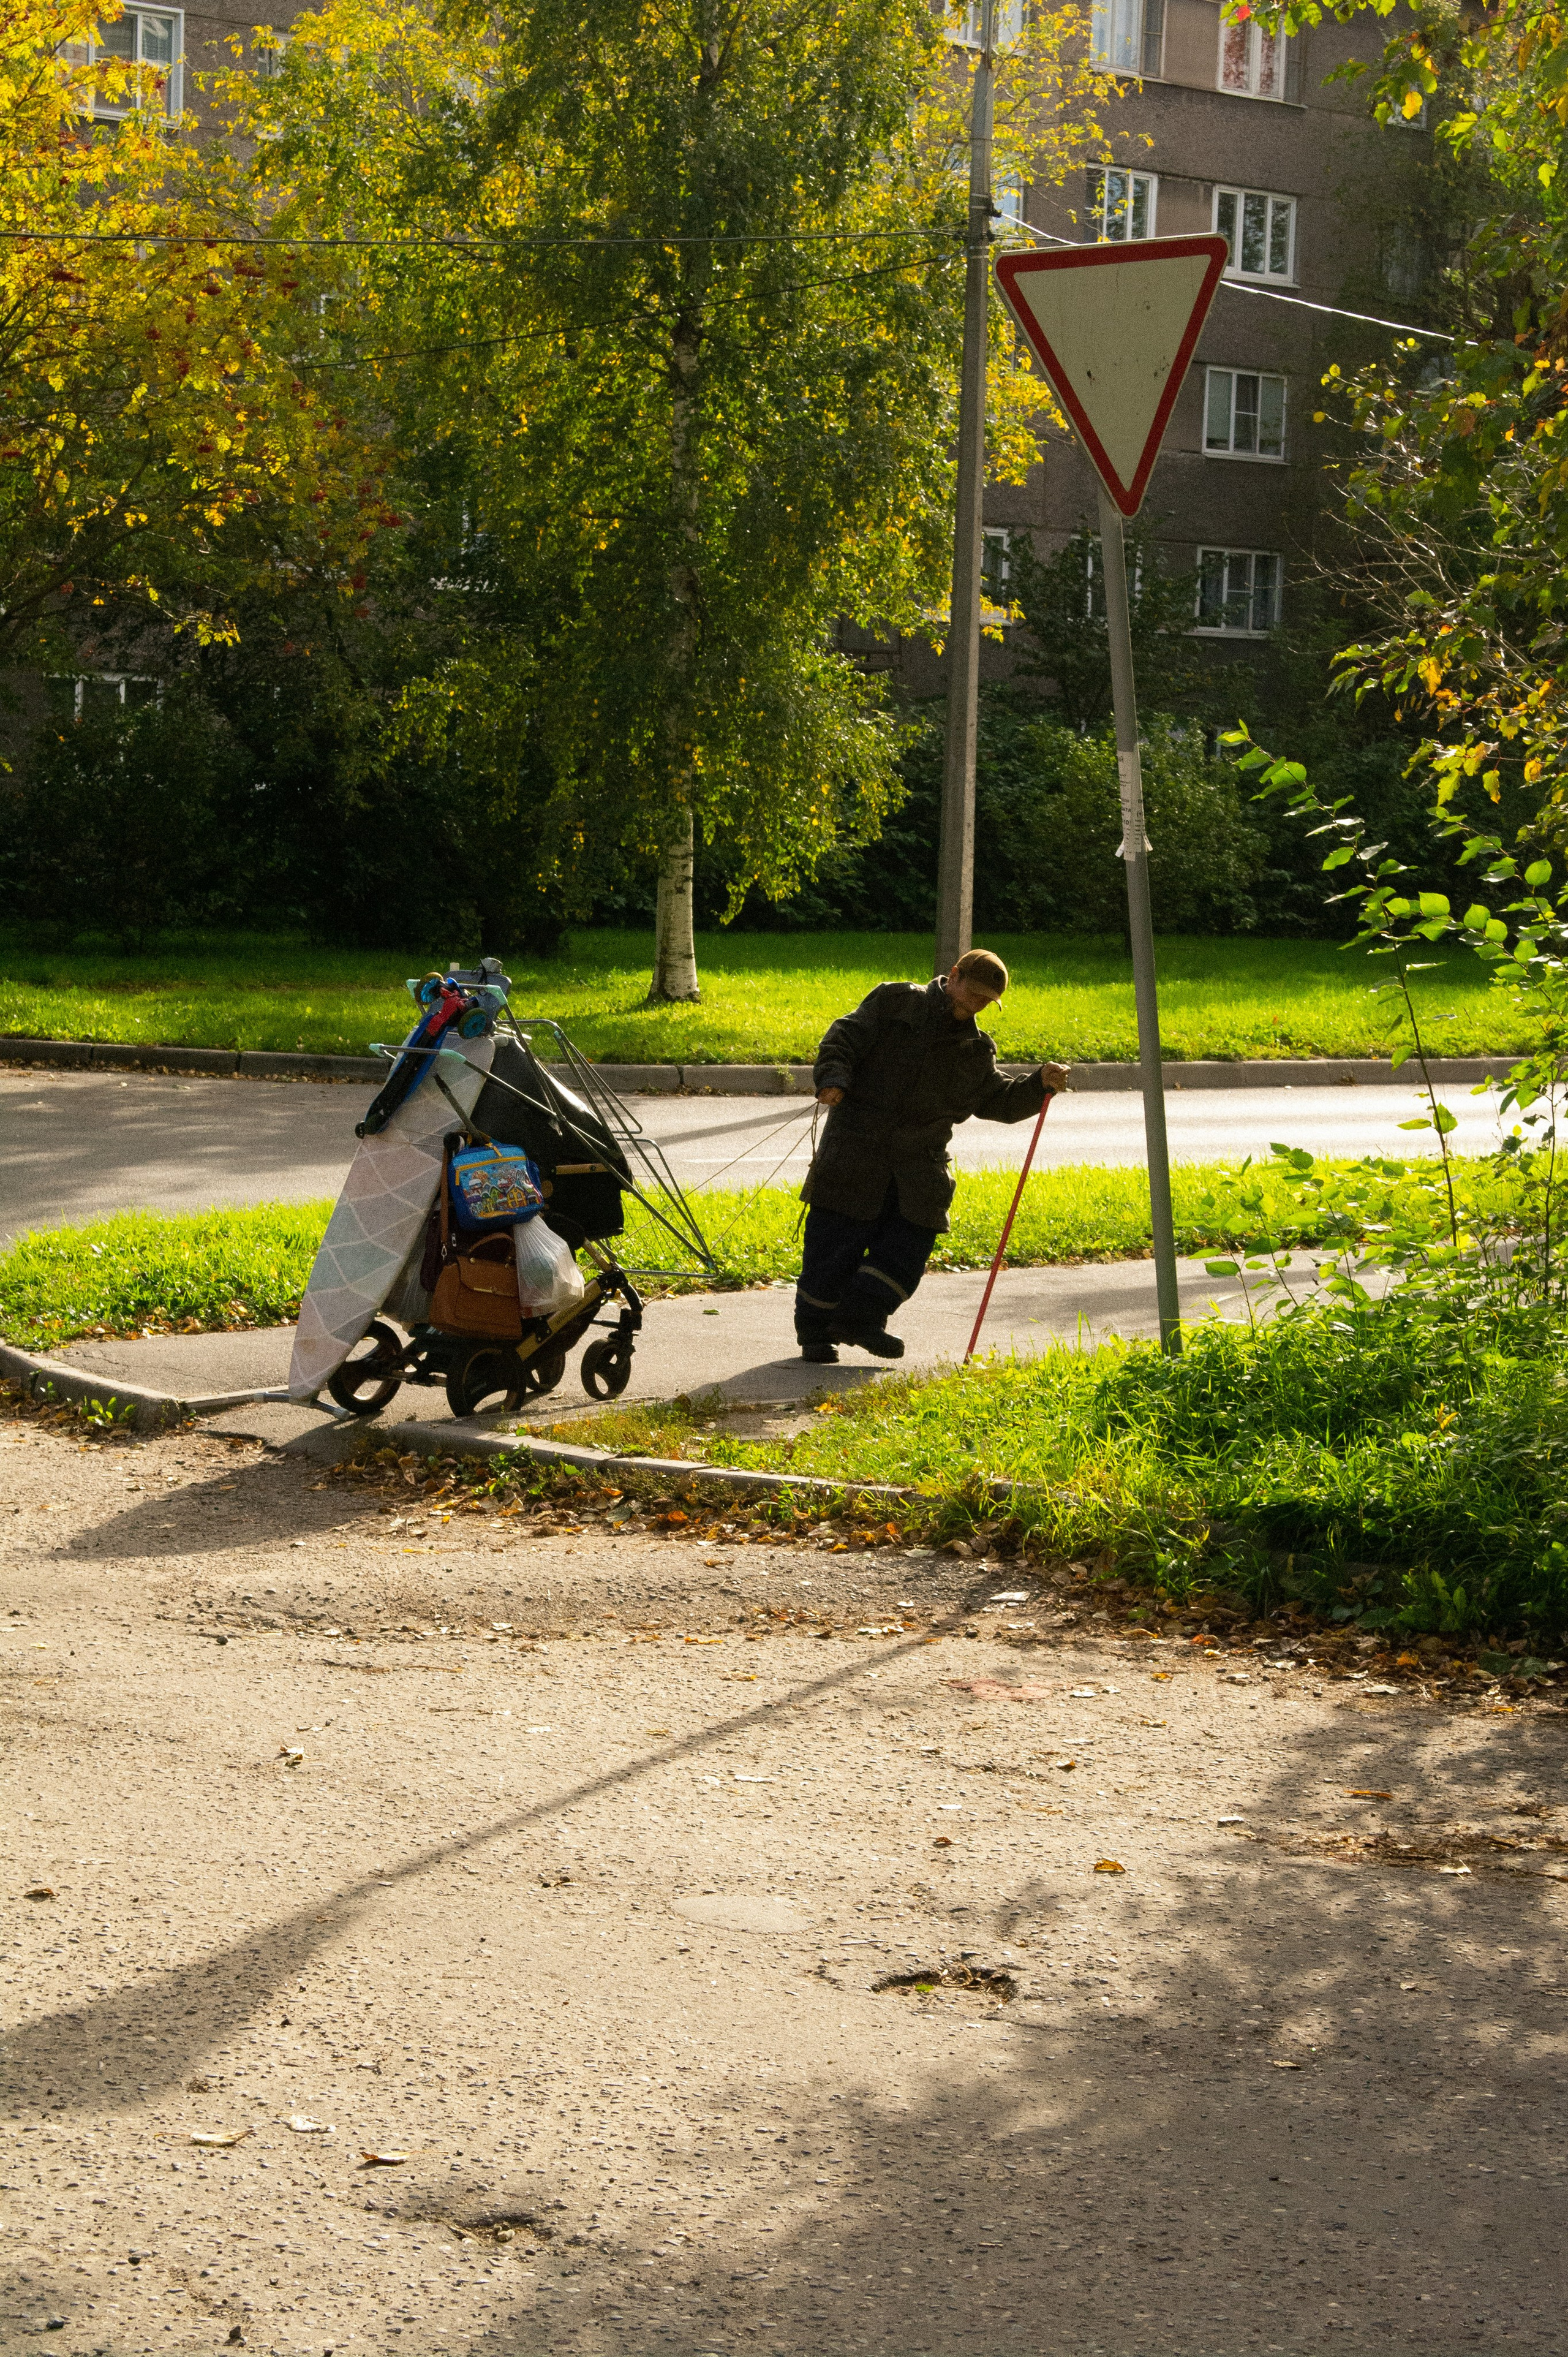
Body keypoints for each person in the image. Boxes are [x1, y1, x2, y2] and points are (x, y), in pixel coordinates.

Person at [794, 948, 1069, 1363]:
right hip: (856, 1150)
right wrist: (833, 1077)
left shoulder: (977, 1050)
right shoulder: (895, 1001)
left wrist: (1038, 1086)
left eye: (984, 1001)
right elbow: (844, 1037)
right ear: (954, 975)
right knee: (833, 1245)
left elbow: (998, 1100)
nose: (974, 1004)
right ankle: (816, 1333)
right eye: (971, 993)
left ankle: (861, 1318)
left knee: (910, 1245)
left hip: (919, 1167)